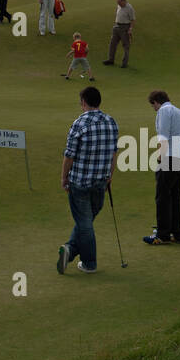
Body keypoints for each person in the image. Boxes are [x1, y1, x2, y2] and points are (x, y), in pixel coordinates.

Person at [58, 86, 119, 275]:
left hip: (81, 182)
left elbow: (69, 156)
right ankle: (70, 250)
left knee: (84, 223)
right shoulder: (111, 121)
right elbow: (113, 152)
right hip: (101, 181)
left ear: (84, 102)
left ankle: (88, 262)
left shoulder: (79, 123)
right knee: (86, 220)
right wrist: (110, 174)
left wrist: (64, 177)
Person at [144, 90, 180, 245]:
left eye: (153, 106)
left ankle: (162, 234)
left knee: (163, 195)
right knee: (176, 195)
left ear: (156, 102)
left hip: (171, 157)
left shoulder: (164, 111)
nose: (154, 109)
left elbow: (163, 136)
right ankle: (178, 234)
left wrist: (160, 156)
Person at [104, 0, 136, 67]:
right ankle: (111, 60)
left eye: (119, 2)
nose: (118, 4)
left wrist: (130, 29)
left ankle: (124, 63)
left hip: (125, 27)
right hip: (116, 26)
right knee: (112, 44)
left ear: (124, 1)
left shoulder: (129, 8)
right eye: (117, 2)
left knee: (125, 45)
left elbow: (133, 19)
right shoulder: (119, 6)